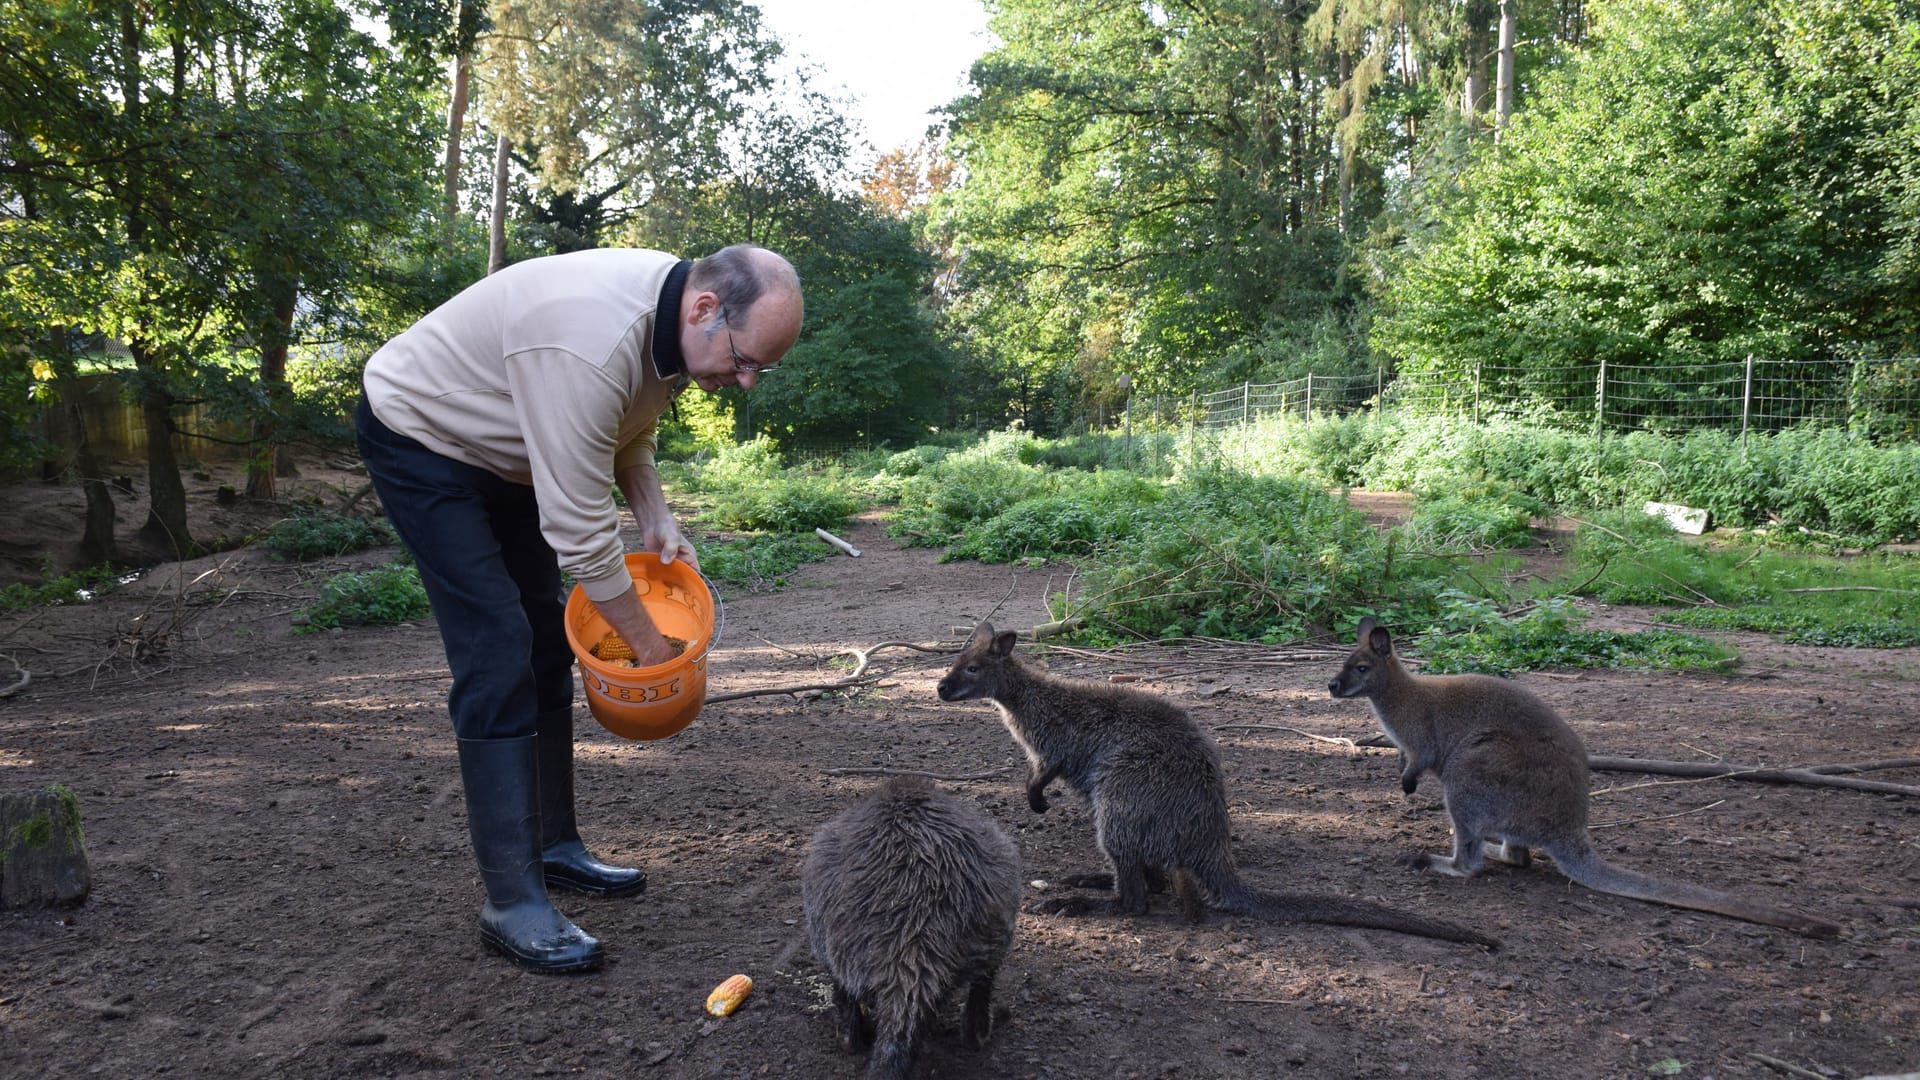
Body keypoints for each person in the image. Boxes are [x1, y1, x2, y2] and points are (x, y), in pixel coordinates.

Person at [354, 244, 803, 973]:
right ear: (705, 309)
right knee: (497, 648)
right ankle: (510, 902)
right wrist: (653, 653)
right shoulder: (588, 341)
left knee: (543, 639)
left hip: (510, 450)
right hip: (423, 438)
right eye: (745, 358)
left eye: (762, 368)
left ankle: (553, 846)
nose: (746, 381)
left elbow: (631, 425)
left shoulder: (674, 324)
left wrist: (654, 511)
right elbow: (581, 539)